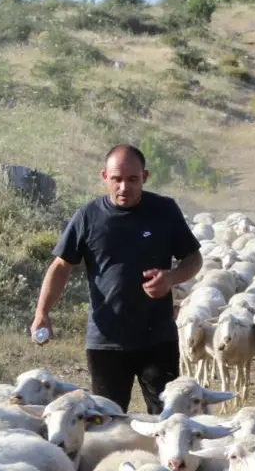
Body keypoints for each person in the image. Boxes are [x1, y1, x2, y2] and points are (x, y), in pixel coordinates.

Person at [30, 144, 203, 414]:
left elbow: (193, 258)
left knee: (168, 417)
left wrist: (171, 278)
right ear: (104, 177)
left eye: (132, 179)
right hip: (106, 341)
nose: (124, 187)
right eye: (117, 179)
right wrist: (42, 312)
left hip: (157, 338)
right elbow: (62, 266)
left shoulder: (164, 211)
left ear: (144, 177)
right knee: (107, 419)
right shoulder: (88, 217)